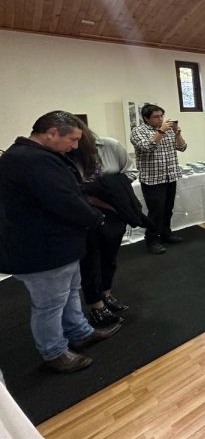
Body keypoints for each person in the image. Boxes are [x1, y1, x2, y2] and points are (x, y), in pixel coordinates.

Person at [0, 111, 120, 373]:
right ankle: (54, 351)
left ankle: (79, 331)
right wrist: (96, 218)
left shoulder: (30, 156)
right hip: (41, 247)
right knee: (49, 304)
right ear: (52, 133)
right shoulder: (32, 161)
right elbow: (65, 200)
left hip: (58, 244)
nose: (75, 146)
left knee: (70, 292)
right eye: (72, 139)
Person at [71, 126, 143, 328]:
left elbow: (131, 171)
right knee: (90, 260)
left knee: (109, 256)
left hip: (115, 211)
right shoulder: (67, 154)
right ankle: (96, 306)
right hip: (87, 213)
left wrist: (107, 188)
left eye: (78, 140)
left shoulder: (110, 145)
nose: (74, 145)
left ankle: (107, 293)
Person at [130, 104, 187, 254]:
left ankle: (166, 234)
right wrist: (161, 131)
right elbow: (147, 147)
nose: (160, 119)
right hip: (152, 179)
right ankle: (152, 240)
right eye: (156, 116)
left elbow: (182, 147)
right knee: (156, 212)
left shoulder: (168, 130)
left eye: (161, 115)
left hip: (170, 175)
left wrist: (177, 134)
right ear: (146, 118)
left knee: (168, 209)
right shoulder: (138, 131)